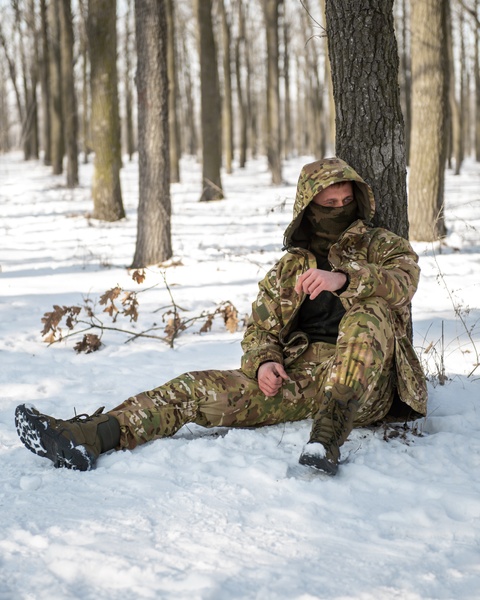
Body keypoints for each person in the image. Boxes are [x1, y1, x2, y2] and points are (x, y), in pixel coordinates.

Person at [15, 158, 428, 476]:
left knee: (367, 312)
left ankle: (326, 440)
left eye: (346, 202)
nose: (340, 210)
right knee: (194, 388)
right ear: (309, 208)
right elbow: (260, 331)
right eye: (328, 204)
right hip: (303, 380)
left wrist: (342, 278)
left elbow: (403, 282)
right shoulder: (288, 269)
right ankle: (88, 437)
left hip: (367, 387)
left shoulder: (380, 245)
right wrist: (265, 361)